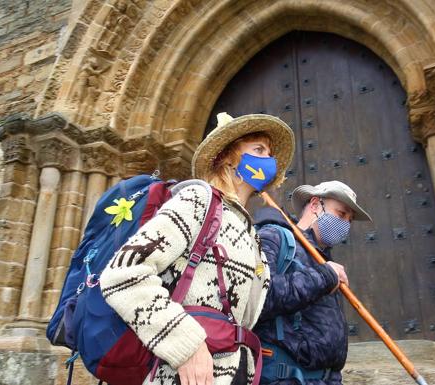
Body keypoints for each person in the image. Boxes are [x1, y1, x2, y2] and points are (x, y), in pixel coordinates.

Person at [99, 112, 295, 385]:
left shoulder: (251, 232)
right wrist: (185, 345)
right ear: (228, 157)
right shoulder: (198, 199)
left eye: (270, 153)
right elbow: (122, 274)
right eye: (259, 150)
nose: (269, 160)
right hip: (180, 374)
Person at [254, 181, 372, 385]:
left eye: (349, 221)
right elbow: (262, 297)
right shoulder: (274, 237)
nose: (345, 225)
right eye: (341, 214)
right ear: (316, 205)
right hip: (287, 377)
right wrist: (324, 276)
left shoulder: (324, 260)